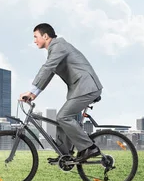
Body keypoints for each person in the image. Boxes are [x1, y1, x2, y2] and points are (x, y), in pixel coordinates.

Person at [19, 23, 103, 163]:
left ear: (45, 36)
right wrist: (34, 94)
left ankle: (89, 148)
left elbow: (47, 68)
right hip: (80, 88)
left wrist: (31, 90)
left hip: (87, 87)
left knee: (63, 117)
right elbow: (50, 72)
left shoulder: (59, 46)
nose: (34, 41)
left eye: (36, 37)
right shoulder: (55, 49)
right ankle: (65, 154)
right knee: (62, 120)